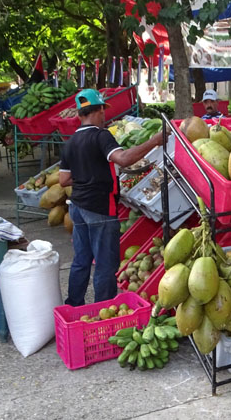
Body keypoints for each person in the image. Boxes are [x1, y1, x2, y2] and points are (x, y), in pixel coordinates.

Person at [59, 89, 164, 306]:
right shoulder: (100, 135)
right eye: (102, 110)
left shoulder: (70, 142)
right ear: (97, 110)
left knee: (81, 260)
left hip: (77, 207)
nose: (105, 115)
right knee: (106, 265)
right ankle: (103, 311)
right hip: (100, 208)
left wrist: (85, 175)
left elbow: (63, 179)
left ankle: (73, 305)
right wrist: (154, 141)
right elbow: (123, 159)